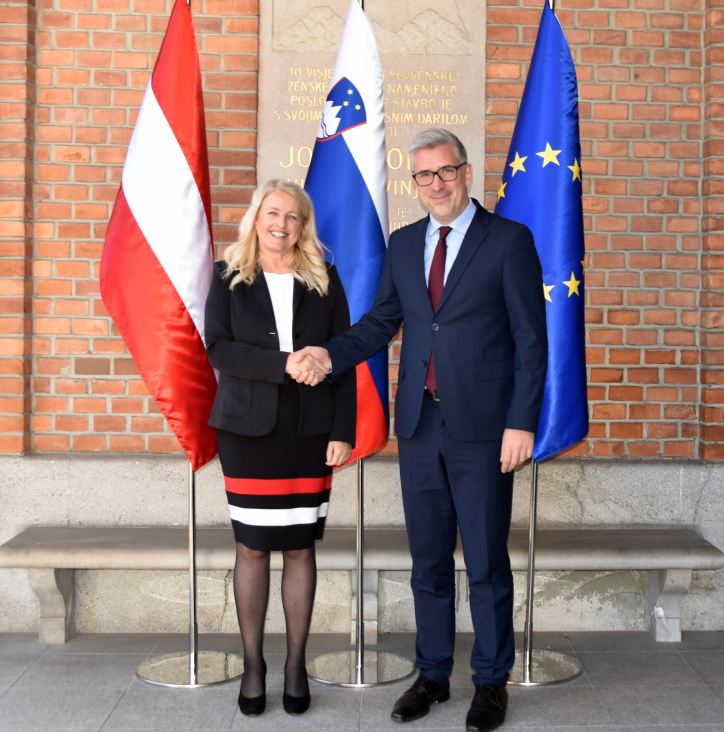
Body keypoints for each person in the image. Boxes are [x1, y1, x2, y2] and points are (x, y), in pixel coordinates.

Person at [294, 129, 547, 732]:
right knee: (427, 560)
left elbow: (531, 343)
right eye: (423, 176)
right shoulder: (403, 244)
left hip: (486, 429)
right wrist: (328, 354)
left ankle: (490, 681)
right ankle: (432, 674)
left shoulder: (509, 240)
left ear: (465, 172)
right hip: (420, 424)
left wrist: (521, 423)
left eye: (445, 172)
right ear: (414, 184)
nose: (435, 185)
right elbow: (383, 321)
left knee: (485, 560)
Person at [204, 179, 356, 717]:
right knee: (251, 547)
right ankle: (252, 664)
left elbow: (344, 356)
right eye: (273, 213)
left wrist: (343, 431)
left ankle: (294, 664)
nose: (282, 224)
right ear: (256, 218)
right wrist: (283, 365)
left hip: (309, 433)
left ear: (303, 225)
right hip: (248, 433)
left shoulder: (323, 278)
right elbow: (218, 347)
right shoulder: (229, 277)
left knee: (299, 547)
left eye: (293, 216)